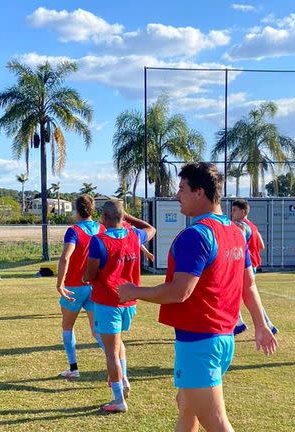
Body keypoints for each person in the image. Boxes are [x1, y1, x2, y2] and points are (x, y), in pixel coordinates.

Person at [119, 163, 277, 431]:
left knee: (216, 423)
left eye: (182, 189)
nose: (177, 195)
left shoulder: (197, 235)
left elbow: (180, 292)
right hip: (220, 339)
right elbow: (248, 284)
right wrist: (260, 325)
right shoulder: (235, 233)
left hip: (200, 343)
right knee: (186, 409)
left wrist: (133, 291)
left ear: (199, 192)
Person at [85, 200, 155, 413]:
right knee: (117, 345)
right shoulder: (134, 236)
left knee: (110, 352)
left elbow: (90, 274)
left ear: (104, 219)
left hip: (108, 302)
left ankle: (118, 399)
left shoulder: (99, 241)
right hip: (129, 303)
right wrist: (128, 218)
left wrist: (87, 276)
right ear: (123, 218)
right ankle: (123, 380)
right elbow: (151, 229)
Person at [55, 194, 105, 380]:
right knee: (97, 331)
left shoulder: (73, 231)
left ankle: (73, 368)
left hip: (74, 287)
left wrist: (59, 283)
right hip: (94, 286)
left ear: (77, 211)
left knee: (67, 326)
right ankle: (115, 363)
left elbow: (65, 257)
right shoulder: (100, 228)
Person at [229, 199, 279, 336]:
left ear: (243, 211)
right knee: (243, 295)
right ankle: (240, 324)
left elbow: (240, 243)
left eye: (234, 210)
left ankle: (241, 324)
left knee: (236, 294)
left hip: (244, 265)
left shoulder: (239, 225)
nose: (232, 213)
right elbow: (261, 245)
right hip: (252, 265)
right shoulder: (253, 226)